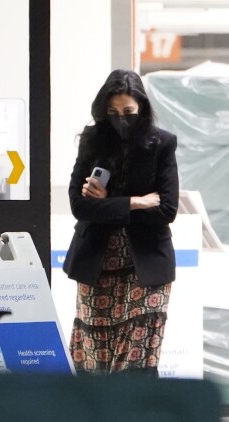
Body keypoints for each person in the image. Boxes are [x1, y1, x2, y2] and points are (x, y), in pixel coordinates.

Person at [63, 69, 179, 382]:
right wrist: (135, 202)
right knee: (96, 359)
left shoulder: (162, 143)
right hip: (96, 263)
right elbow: (79, 206)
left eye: (128, 111)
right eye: (113, 112)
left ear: (141, 107)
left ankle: (139, 413)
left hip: (147, 263)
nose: (121, 119)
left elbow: (166, 209)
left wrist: (108, 204)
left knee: (139, 358)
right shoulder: (92, 140)